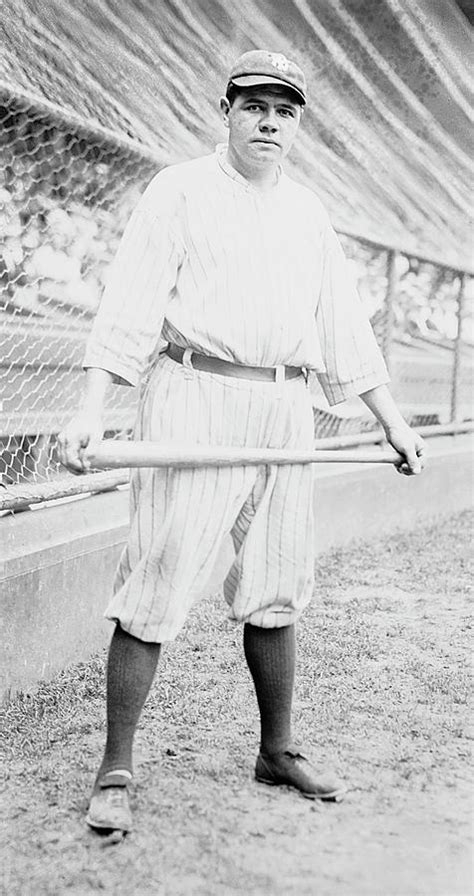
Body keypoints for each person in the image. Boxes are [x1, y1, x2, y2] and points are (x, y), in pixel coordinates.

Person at [58, 49, 426, 833]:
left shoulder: (308, 212)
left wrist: (391, 420)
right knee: (158, 575)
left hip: (284, 405)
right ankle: (116, 765)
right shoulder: (180, 190)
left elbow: (343, 328)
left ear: (296, 126)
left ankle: (277, 748)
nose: (268, 121)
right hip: (195, 393)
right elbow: (129, 303)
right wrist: (91, 409)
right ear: (225, 110)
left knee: (277, 579)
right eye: (253, 105)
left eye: (283, 110)